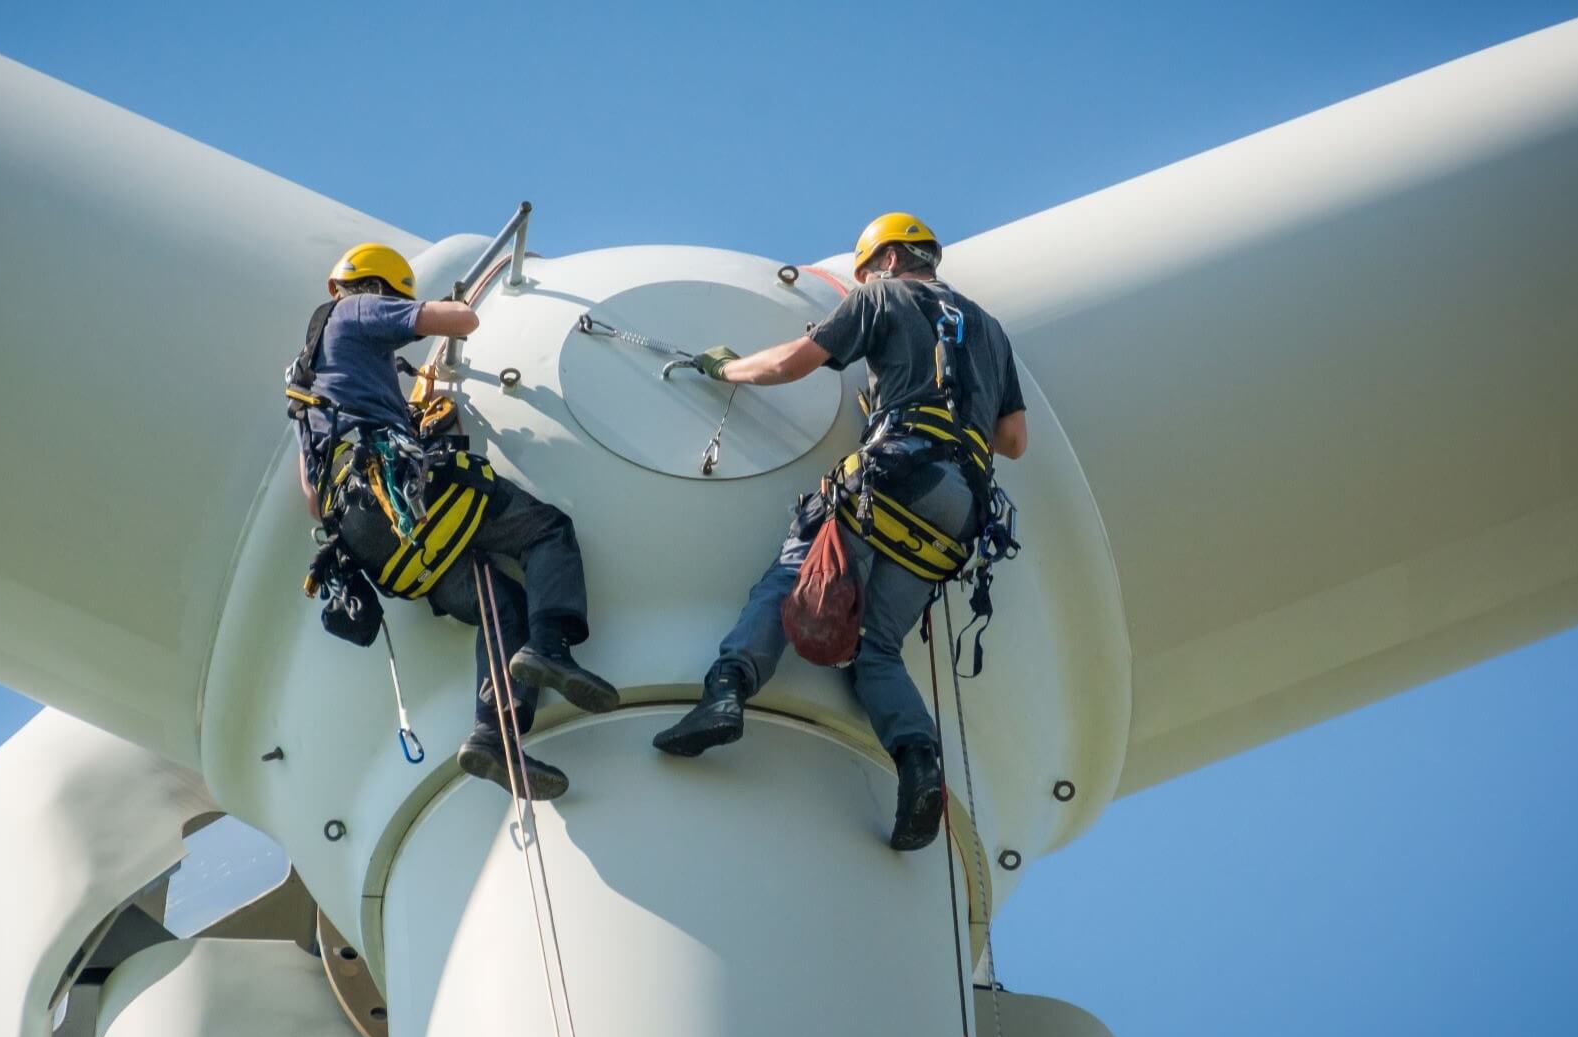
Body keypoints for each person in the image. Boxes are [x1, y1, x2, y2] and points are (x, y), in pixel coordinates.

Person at [651, 214, 1029, 849]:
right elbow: (1013, 441)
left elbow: (794, 365)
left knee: (792, 577)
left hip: (895, 472)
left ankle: (726, 693)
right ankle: (919, 765)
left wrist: (726, 371)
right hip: (960, 511)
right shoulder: (989, 331)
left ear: (882, 261)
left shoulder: (881, 297)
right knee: (876, 649)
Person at [295, 242, 619, 800]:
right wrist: (443, 311)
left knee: (499, 602)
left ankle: (493, 735)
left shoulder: (306, 384)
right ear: (377, 288)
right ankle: (551, 646)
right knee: (545, 530)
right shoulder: (355, 311)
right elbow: (459, 320)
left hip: (371, 537)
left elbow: (310, 497)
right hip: (402, 491)